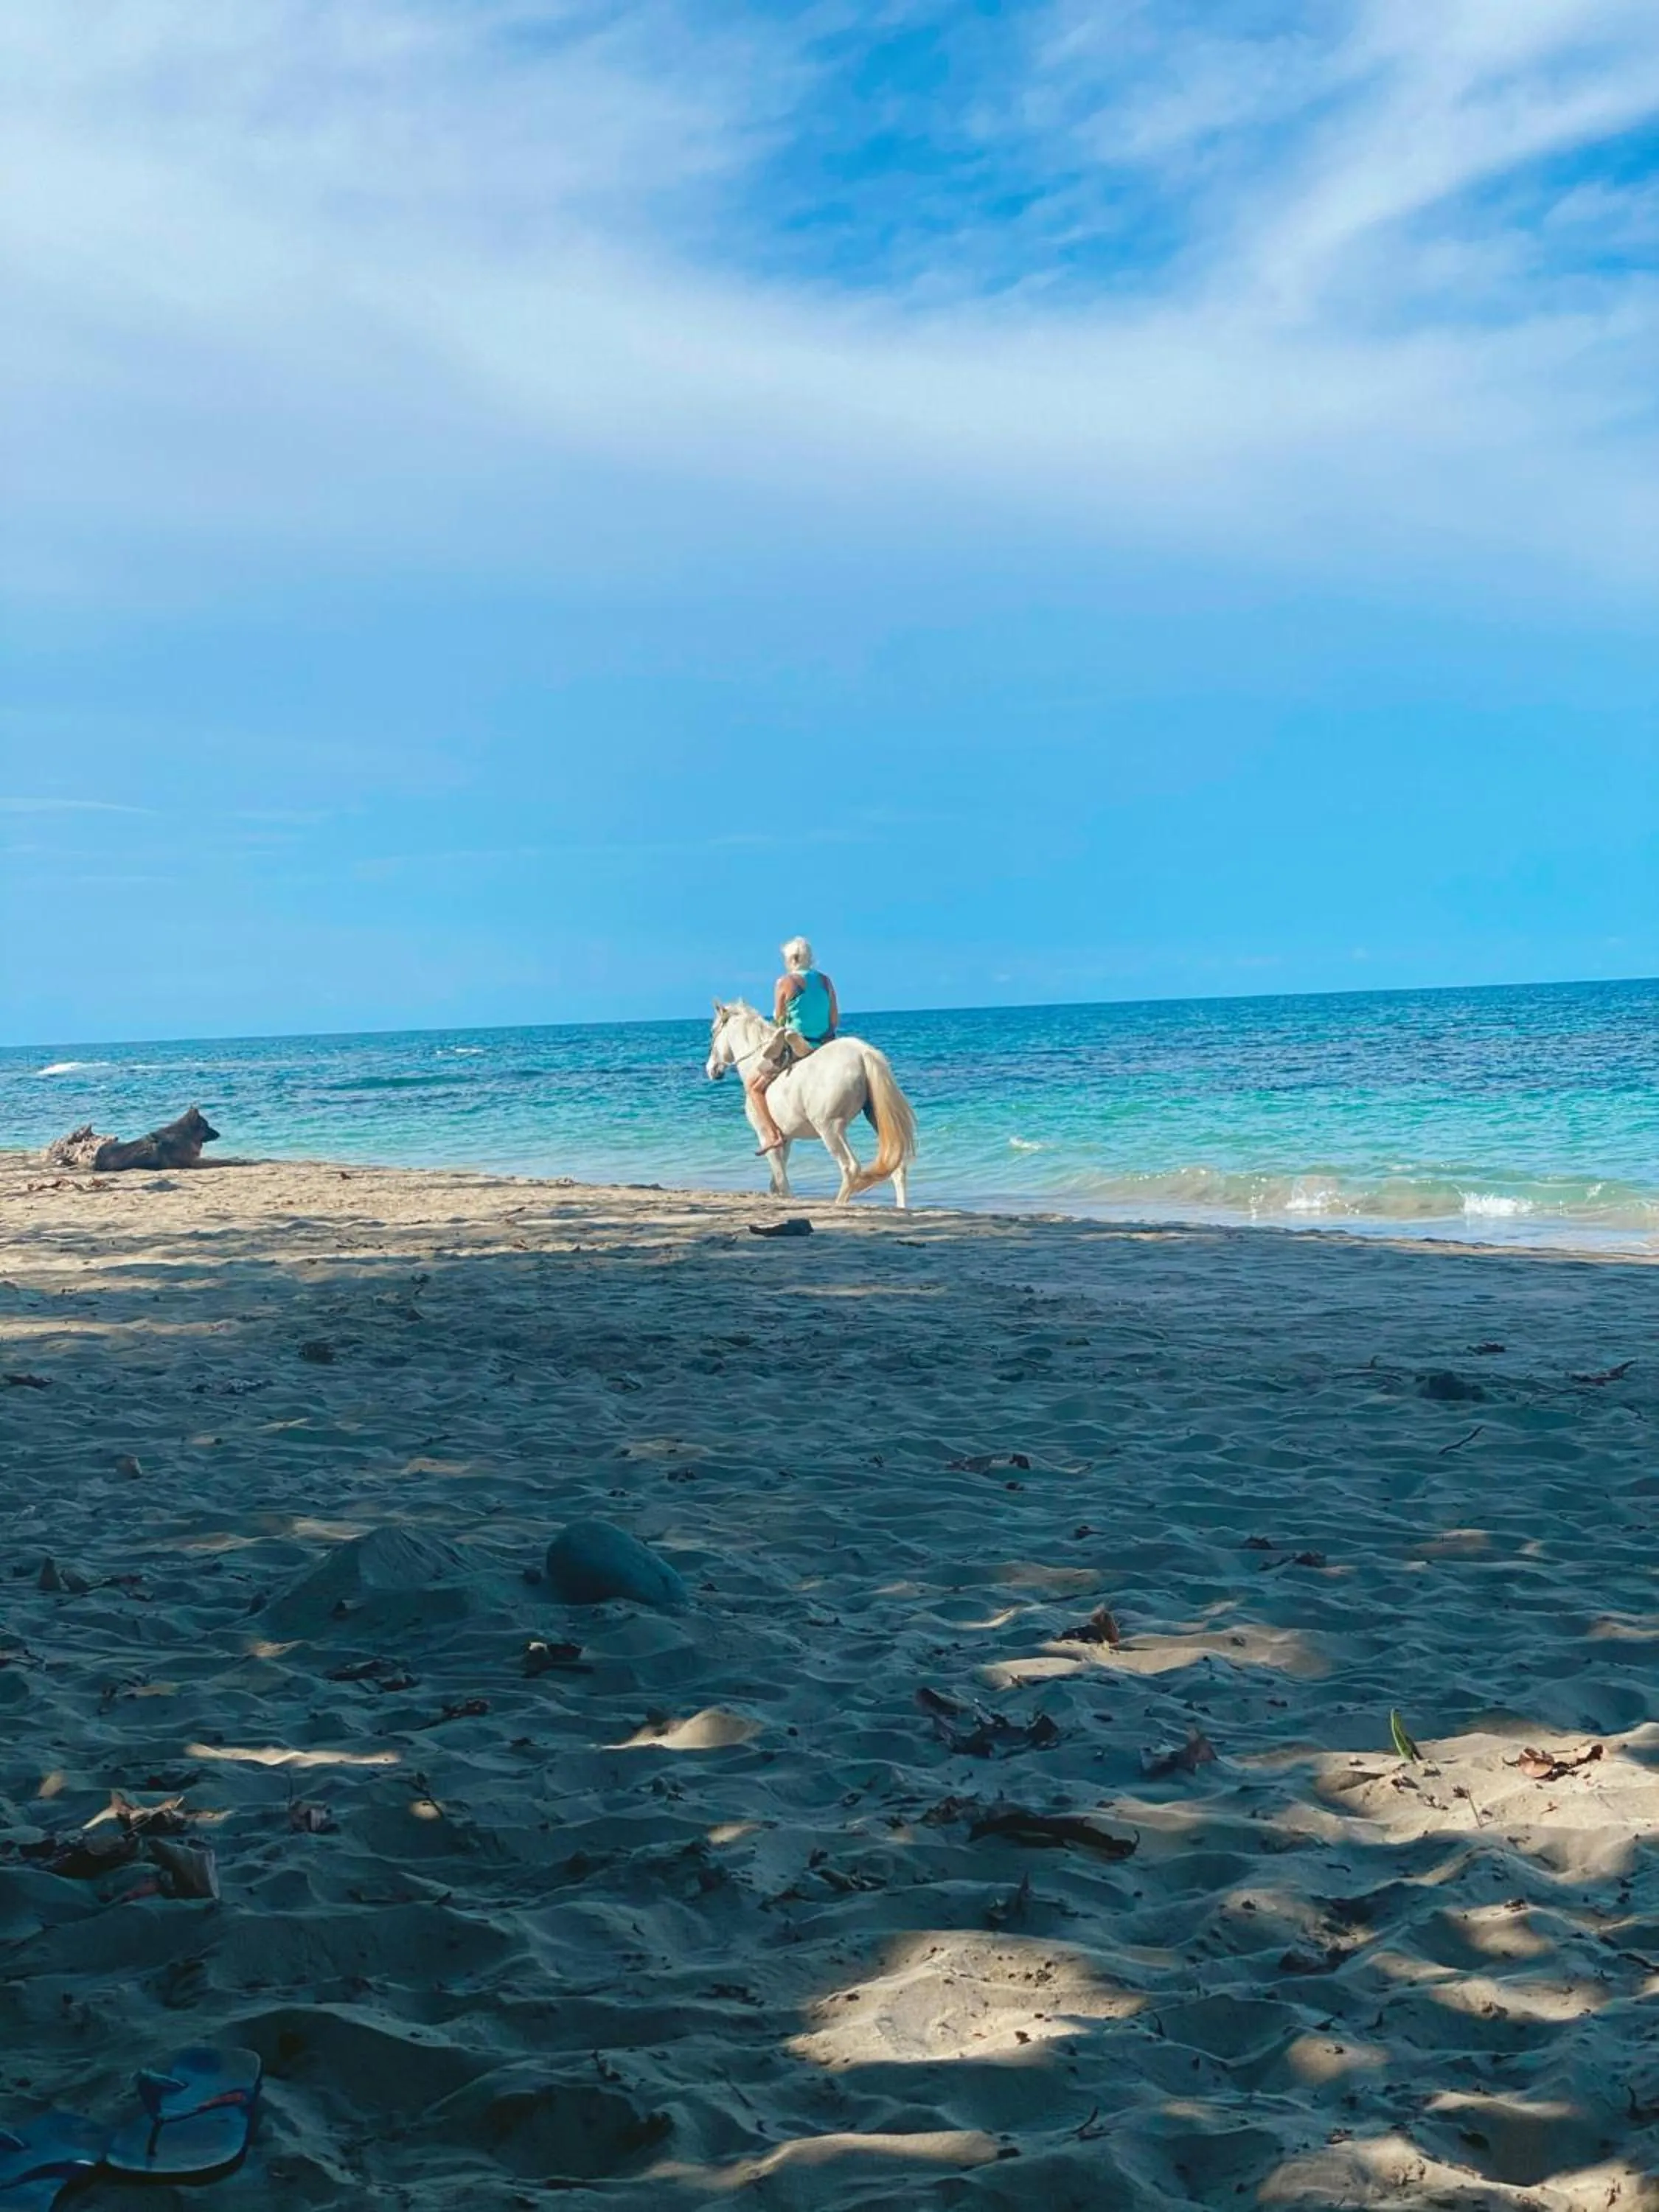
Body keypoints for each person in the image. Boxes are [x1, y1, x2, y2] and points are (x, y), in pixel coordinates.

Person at [747, 936, 840, 1154]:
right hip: (826, 1042)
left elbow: (778, 1020)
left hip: (797, 1041)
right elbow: (834, 1018)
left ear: (789, 959)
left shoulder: (785, 982)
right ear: (811, 957)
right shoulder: (826, 981)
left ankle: (772, 1135)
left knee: (753, 1086)